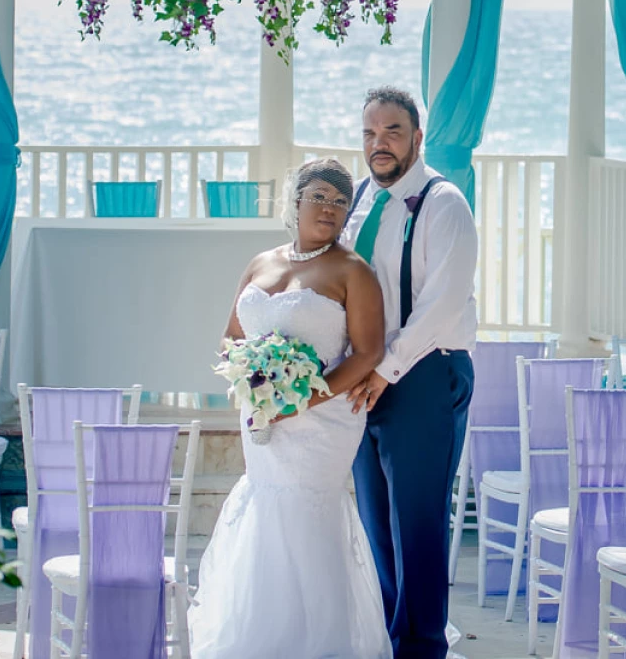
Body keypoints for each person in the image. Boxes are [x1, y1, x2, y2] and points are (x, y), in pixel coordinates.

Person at [187, 158, 392, 659]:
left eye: (341, 202)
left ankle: (319, 643)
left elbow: (368, 352)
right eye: (319, 196)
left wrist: (297, 399)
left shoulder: (353, 271)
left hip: (322, 418)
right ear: (294, 200)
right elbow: (231, 335)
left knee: (305, 509)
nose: (330, 208)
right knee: (264, 503)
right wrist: (247, 378)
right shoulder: (262, 263)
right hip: (261, 414)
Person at [339, 87, 479, 659]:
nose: (379, 144)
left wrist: (387, 370)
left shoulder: (444, 203)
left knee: (417, 524)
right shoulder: (363, 201)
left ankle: (422, 648)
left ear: (417, 138)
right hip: (370, 379)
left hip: (424, 372)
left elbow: (441, 304)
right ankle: (394, 643)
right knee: (378, 523)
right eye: (370, 133)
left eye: (392, 132)